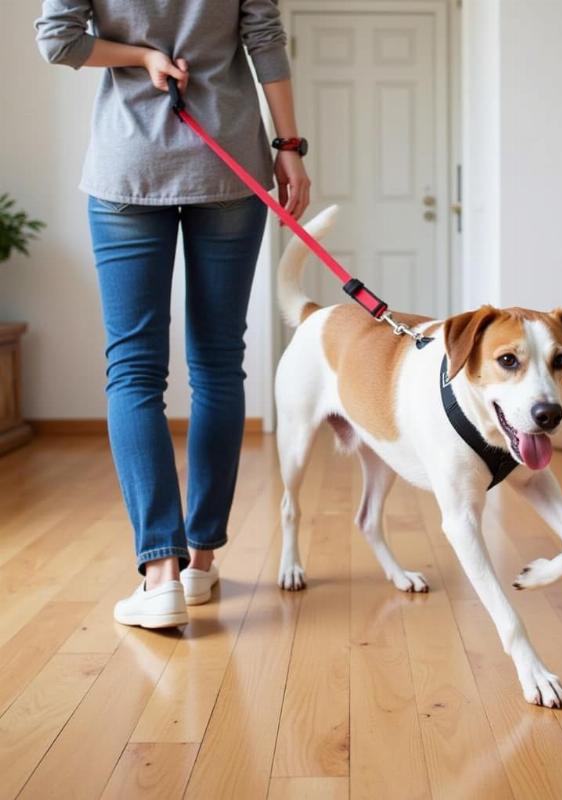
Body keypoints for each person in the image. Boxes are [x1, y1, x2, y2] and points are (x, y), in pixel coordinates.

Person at [35, 0, 310, 628]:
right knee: (218, 364)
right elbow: (264, 37)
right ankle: (201, 565)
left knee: (133, 371)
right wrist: (289, 147)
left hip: (127, 167)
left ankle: (160, 574)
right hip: (229, 164)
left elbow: (59, 41)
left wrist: (139, 56)